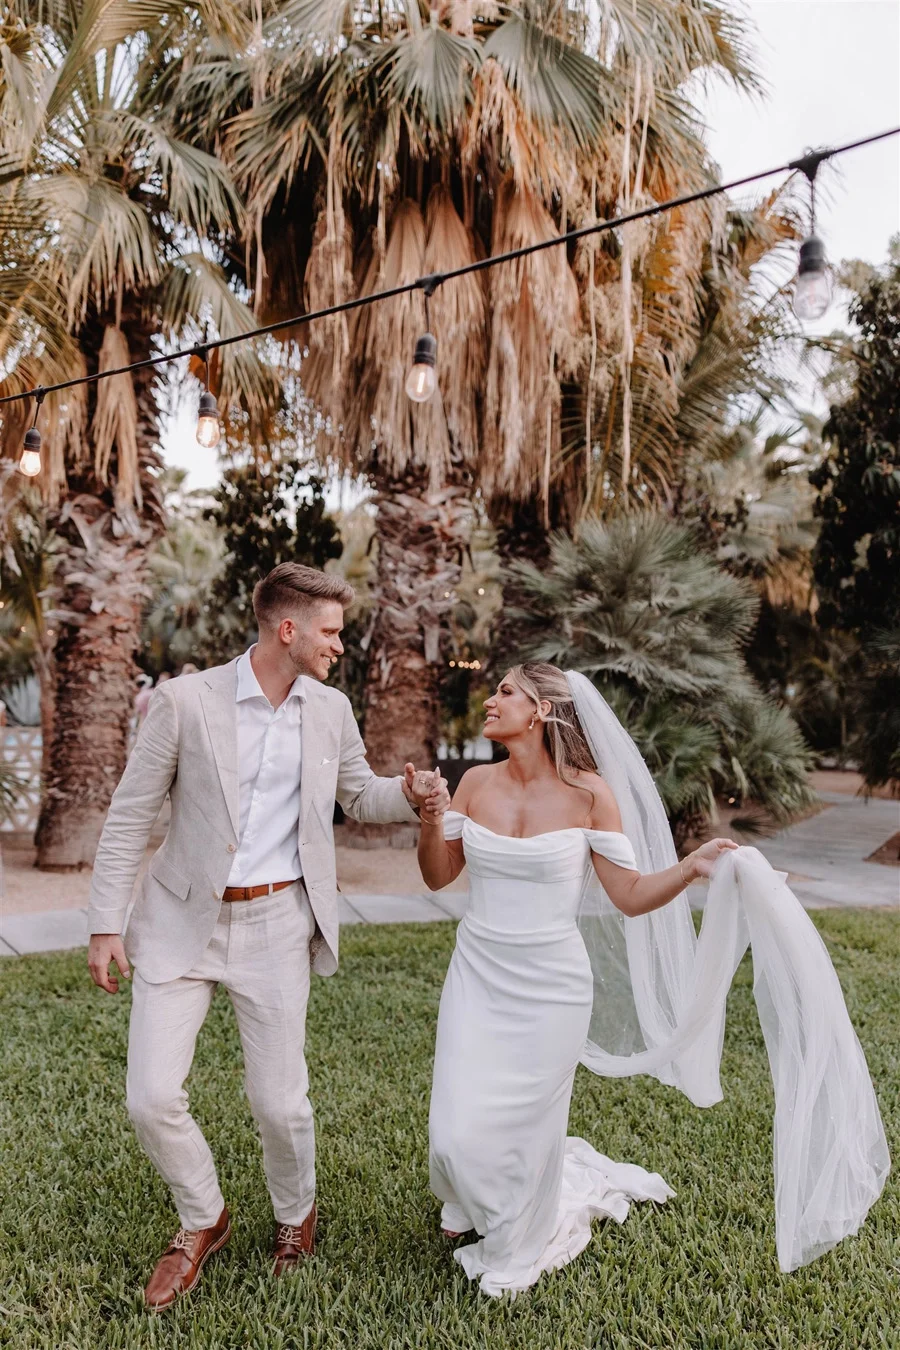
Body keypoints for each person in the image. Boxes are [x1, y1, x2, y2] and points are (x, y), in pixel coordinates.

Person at [418, 662, 889, 1297]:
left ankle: (515, 1238)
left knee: (526, 1128)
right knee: (453, 1126)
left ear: (543, 713)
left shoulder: (590, 795)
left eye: (506, 692)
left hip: (551, 986)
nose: (490, 700)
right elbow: (438, 875)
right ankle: (470, 1199)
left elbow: (631, 894)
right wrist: (429, 817)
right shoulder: (472, 782)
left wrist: (691, 866)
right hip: (477, 971)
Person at [86, 563, 449, 1310]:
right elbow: (129, 816)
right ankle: (203, 1219)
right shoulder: (186, 703)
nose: (338, 646)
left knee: (279, 1103)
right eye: (330, 632)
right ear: (288, 630)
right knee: (151, 1097)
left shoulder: (332, 710)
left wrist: (408, 796)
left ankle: (294, 1218)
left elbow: (358, 793)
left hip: (278, 922)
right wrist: (103, 924)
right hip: (180, 919)